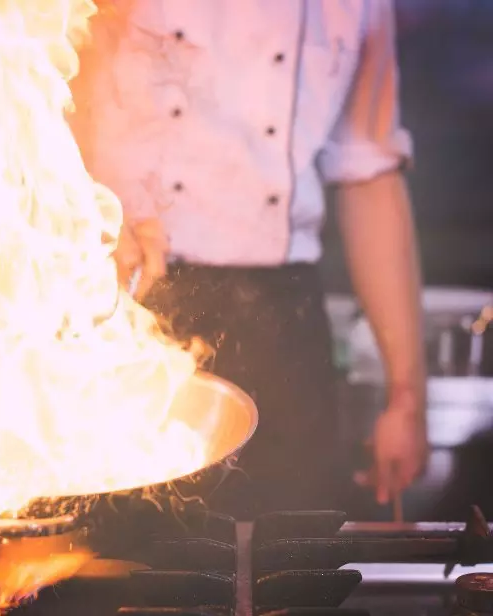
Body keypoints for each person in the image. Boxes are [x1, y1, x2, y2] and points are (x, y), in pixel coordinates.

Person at [70, 0, 427, 518]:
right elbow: (35, 92)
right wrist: (83, 209)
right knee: (116, 566)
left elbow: (368, 171)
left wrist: (406, 396)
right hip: (123, 302)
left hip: (282, 331)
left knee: (288, 564)